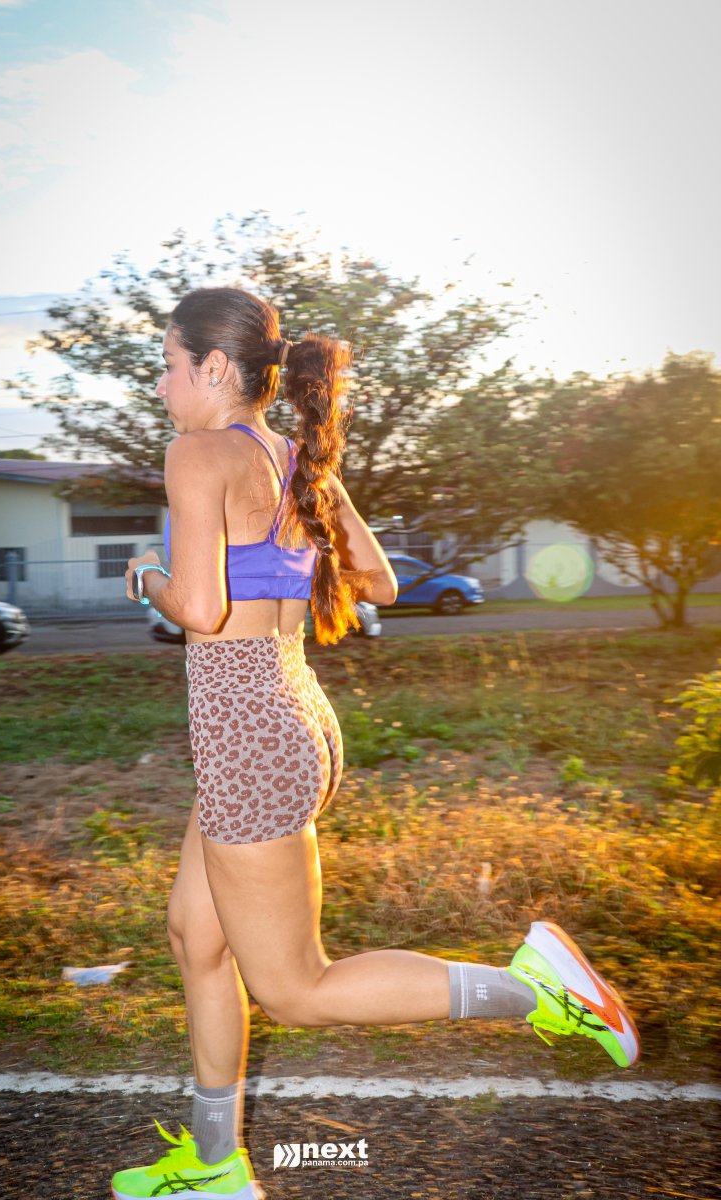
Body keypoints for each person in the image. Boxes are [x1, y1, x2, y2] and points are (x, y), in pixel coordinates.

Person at [114, 287, 640, 1200]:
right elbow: (383, 582)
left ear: (214, 367)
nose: (160, 386)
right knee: (196, 937)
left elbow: (196, 607)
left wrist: (147, 576)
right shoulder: (296, 458)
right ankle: (214, 1164)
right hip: (291, 719)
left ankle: (539, 991)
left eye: (167, 366)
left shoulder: (198, 453)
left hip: (250, 739)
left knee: (295, 990)